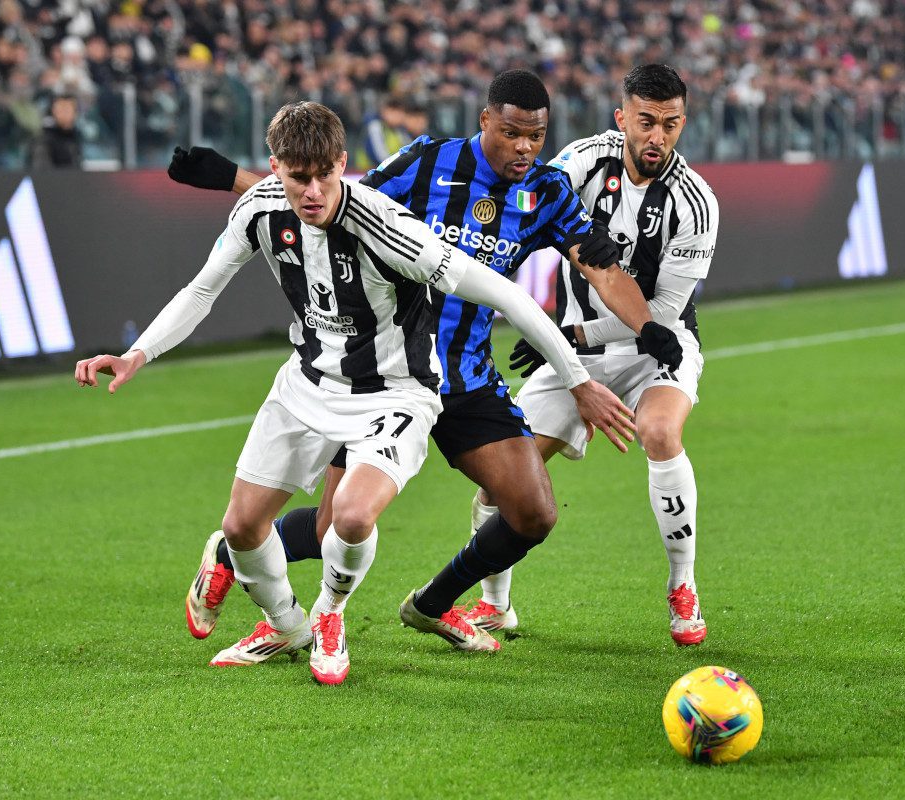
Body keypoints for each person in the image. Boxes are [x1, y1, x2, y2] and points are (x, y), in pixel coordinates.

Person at [76, 101, 631, 685]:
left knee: (355, 514)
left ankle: (330, 615)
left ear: (343, 164)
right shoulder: (259, 210)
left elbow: (510, 298)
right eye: (297, 178)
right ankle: (285, 622)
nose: (312, 191)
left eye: (324, 175)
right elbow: (201, 290)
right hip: (307, 383)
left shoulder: (388, 226)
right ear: (276, 169)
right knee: (243, 527)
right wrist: (139, 352)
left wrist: (579, 379)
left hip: (395, 393)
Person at [168, 70, 683, 654]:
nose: (524, 147)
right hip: (384, 373)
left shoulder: (546, 192)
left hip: (463, 375)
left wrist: (647, 328)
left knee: (534, 511)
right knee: (331, 525)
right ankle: (233, 553)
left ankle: (432, 604)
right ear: (485, 120)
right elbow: (335, 198)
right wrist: (237, 181)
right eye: (512, 132)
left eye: (536, 136)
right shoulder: (426, 161)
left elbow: (601, 267)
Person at [484, 64, 719, 646]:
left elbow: (659, 320)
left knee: (660, 433)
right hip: (574, 353)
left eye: (669, 124)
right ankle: (495, 606)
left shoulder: (697, 204)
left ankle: (682, 586)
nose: (656, 137)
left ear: (683, 124)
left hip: (653, 349)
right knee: (497, 480)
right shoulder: (583, 163)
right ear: (623, 120)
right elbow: (527, 209)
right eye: (645, 122)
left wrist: (567, 338)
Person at [30, 94, 82, 169]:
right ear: (53, 112)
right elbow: (42, 171)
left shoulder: (77, 136)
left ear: (75, 112)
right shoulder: (44, 139)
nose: (64, 113)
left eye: (67, 109)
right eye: (60, 109)